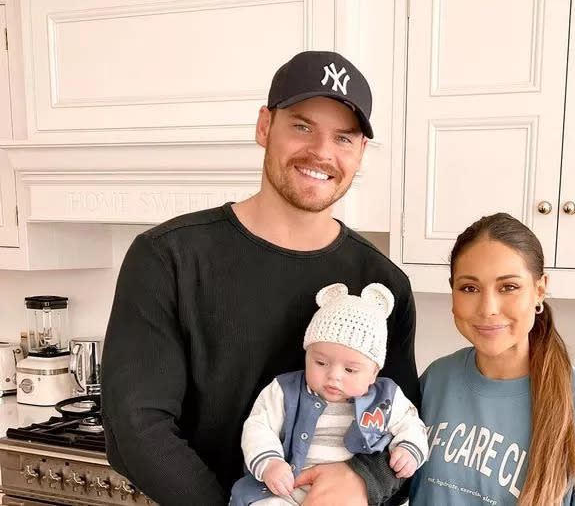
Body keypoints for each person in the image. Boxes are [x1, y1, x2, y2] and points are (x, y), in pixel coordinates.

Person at [101, 51, 419, 506]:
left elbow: (402, 422)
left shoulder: (383, 283)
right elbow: (137, 427)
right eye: (302, 126)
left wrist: (365, 481)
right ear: (264, 126)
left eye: (344, 138)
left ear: (360, 152)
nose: (322, 153)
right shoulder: (167, 257)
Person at [409, 213, 575, 506]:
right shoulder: (436, 380)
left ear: (539, 291)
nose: (488, 308)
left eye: (508, 287)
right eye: (470, 288)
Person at [230, 282, 428, 506]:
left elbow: (413, 426)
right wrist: (269, 463)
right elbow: (259, 426)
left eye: (350, 370)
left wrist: (408, 449)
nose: (334, 375)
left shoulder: (387, 398)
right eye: (321, 362)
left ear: (374, 372)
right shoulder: (285, 390)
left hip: (349, 497)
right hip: (286, 490)